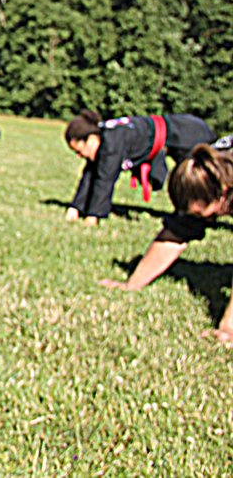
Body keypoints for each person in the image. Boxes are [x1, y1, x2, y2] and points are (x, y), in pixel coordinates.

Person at [99, 140, 233, 345]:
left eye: (202, 213)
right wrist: (131, 285)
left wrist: (228, 328)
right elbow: (177, 233)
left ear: (223, 193)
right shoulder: (205, 168)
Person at [64, 110, 216, 225]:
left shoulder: (112, 143)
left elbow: (104, 179)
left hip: (188, 133)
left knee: (199, 178)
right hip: (178, 131)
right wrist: (76, 207)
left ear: (90, 139)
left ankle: (205, 212)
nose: (79, 156)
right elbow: (91, 173)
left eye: (79, 151)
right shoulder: (106, 136)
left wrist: (93, 216)